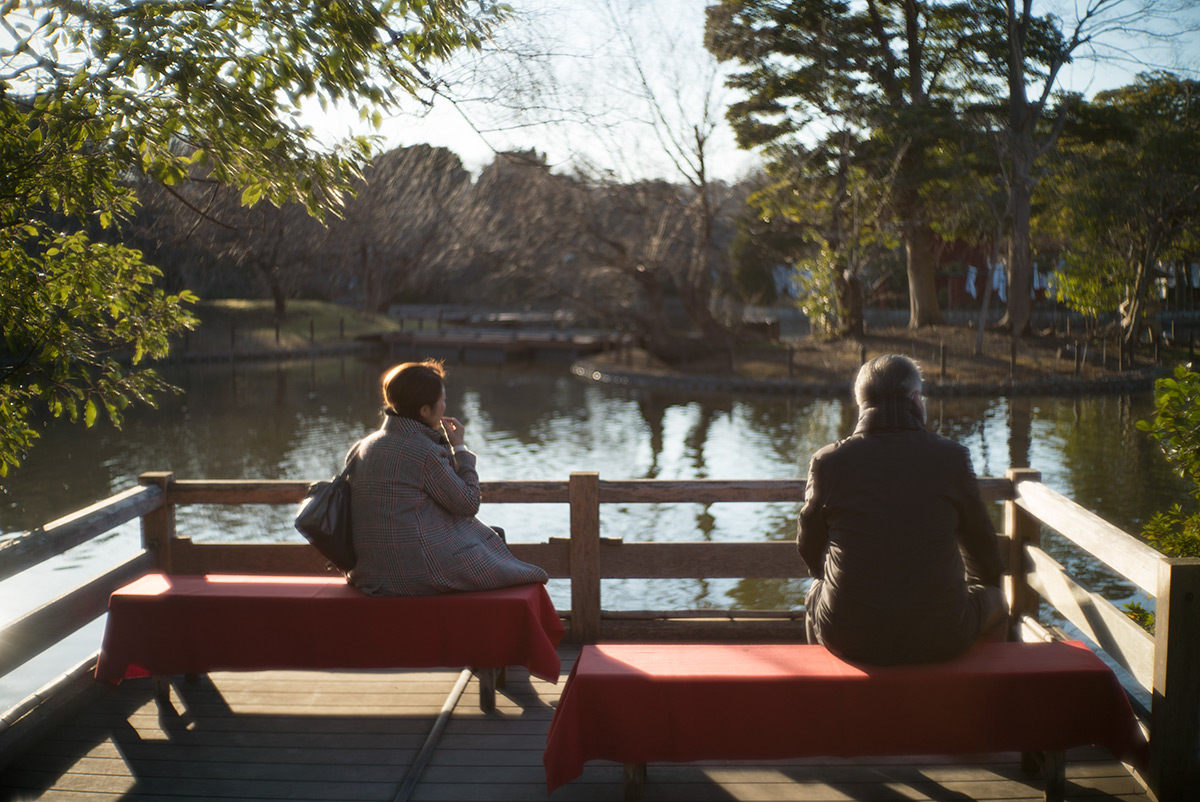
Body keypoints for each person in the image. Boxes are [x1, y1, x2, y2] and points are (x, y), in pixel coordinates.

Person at [798, 354, 1007, 665]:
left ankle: (826, 694)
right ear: (915, 398)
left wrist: (824, 574)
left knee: (816, 593)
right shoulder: (951, 458)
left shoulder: (828, 462)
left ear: (861, 404)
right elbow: (982, 549)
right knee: (999, 602)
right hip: (943, 634)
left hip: (849, 634)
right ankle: (988, 692)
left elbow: (810, 546)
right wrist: (977, 586)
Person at [347, 359, 548, 596]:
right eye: (442, 400)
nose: (445, 405)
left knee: (492, 538)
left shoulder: (362, 446)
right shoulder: (423, 451)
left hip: (369, 572)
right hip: (414, 571)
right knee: (527, 573)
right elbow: (468, 504)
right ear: (424, 410)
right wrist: (460, 449)